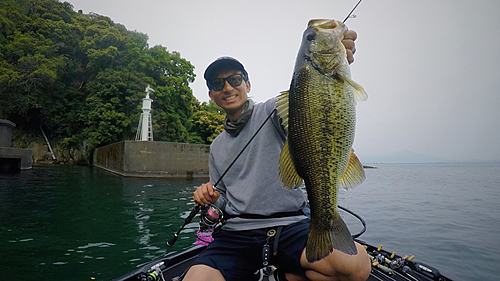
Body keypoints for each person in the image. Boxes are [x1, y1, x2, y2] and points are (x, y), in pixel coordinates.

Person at [184, 30, 371, 281]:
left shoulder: (274, 111)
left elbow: (309, 103)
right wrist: (211, 197)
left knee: (356, 267)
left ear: (247, 85)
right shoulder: (217, 146)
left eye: (235, 80)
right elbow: (225, 201)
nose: (227, 88)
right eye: (218, 84)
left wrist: (335, 61)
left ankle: (280, 276)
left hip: (290, 225)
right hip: (237, 233)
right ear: (211, 95)